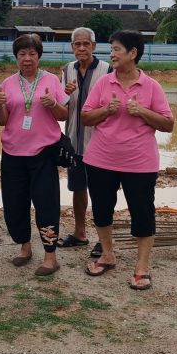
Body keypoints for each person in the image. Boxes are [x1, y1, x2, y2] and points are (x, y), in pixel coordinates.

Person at [80, 30, 174, 290]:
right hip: (100, 159)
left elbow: (168, 124)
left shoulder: (151, 86)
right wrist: (106, 110)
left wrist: (142, 111)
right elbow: (85, 117)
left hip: (139, 163)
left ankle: (142, 267)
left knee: (142, 214)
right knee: (101, 210)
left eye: (117, 49)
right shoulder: (103, 83)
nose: (112, 54)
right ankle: (107, 255)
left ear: (133, 53)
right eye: (111, 49)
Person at [0, 34, 69, 276]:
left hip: (43, 153)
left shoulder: (51, 81)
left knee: (46, 204)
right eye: (22, 54)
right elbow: (3, 121)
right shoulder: (7, 83)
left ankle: (50, 257)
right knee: (15, 203)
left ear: (39, 56)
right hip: (13, 153)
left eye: (32, 54)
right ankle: (25, 247)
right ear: (16, 57)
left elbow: (63, 115)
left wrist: (53, 104)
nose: (27, 59)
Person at [56, 27, 110, 256]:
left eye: (86, 44)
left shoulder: (108, 70)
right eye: (77, 44)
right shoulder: (67, 69)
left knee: (102, 192)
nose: (81, 48)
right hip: (74, 141)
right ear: (72, 47)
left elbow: (112, 104)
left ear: (94, 46)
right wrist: (64, 94)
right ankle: (80, 233)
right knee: (78, 188)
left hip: (100, 143)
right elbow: (62, 107)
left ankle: (103, 239)